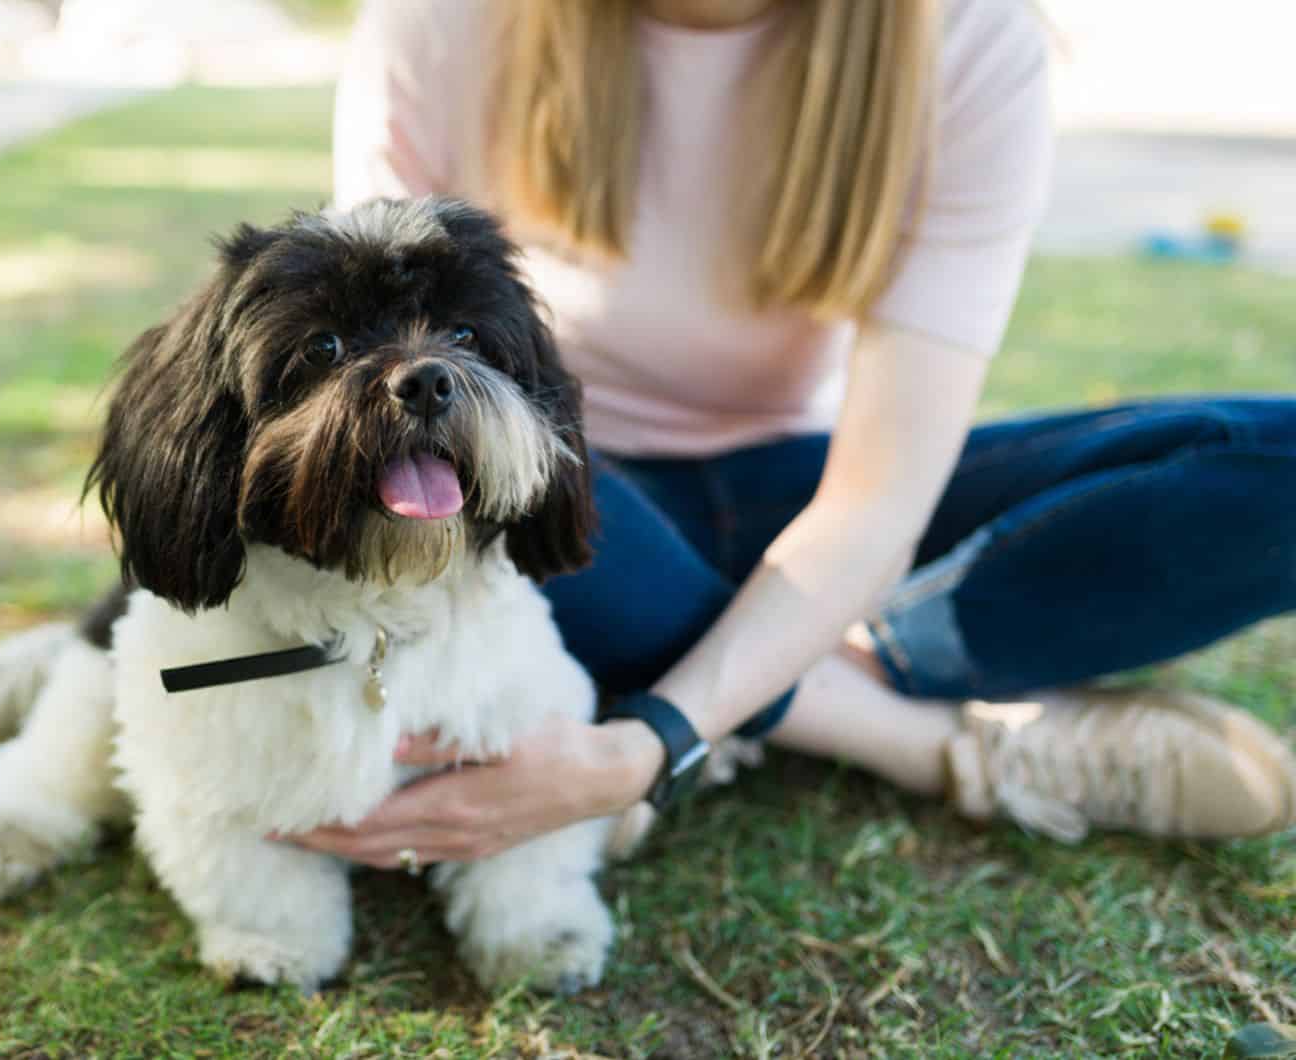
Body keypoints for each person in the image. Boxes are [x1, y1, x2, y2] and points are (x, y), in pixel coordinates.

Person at [284, 0, 1296, 870]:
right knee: (530, 481)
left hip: (799, 496)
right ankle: (938, 745)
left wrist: (651, 741)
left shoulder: (966, 39)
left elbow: (874, 502)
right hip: (548, 509)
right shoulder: (444, 20)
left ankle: (739, 666)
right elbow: (380, 415)